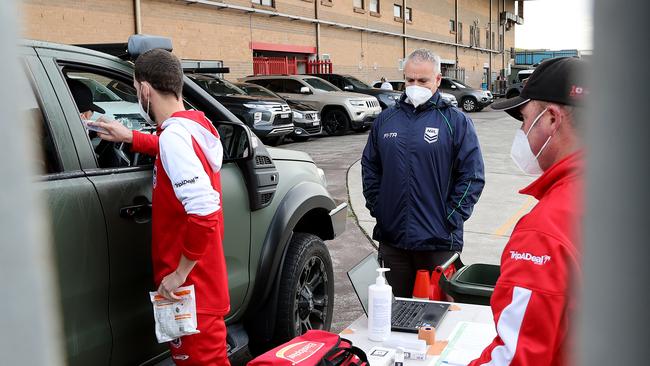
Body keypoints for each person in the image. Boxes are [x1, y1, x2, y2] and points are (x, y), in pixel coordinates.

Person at [89, 49, 230, 366]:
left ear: (144, 90)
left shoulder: (173, 139)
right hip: (204, 286)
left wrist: (179, 273)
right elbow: (176, 153)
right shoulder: (194, 125)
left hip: (192, 290)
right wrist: (132, 137)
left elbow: (205, 209)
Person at [469, 57, 587, 365]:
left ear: (550, 118)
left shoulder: (544, 231)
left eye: (523, 118)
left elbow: (516, 357)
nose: (522, 130)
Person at [361, 48, 485, 297]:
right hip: (393, 241)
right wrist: (380, 208)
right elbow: (370, 168)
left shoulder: (456, 121)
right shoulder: (386, 121)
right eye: (410, 80)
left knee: (440, 317)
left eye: (423, 80)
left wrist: (451, 218)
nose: (415, 85)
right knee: (395, 314)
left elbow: (472, 176)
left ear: (437, 80)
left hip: (438, 242)